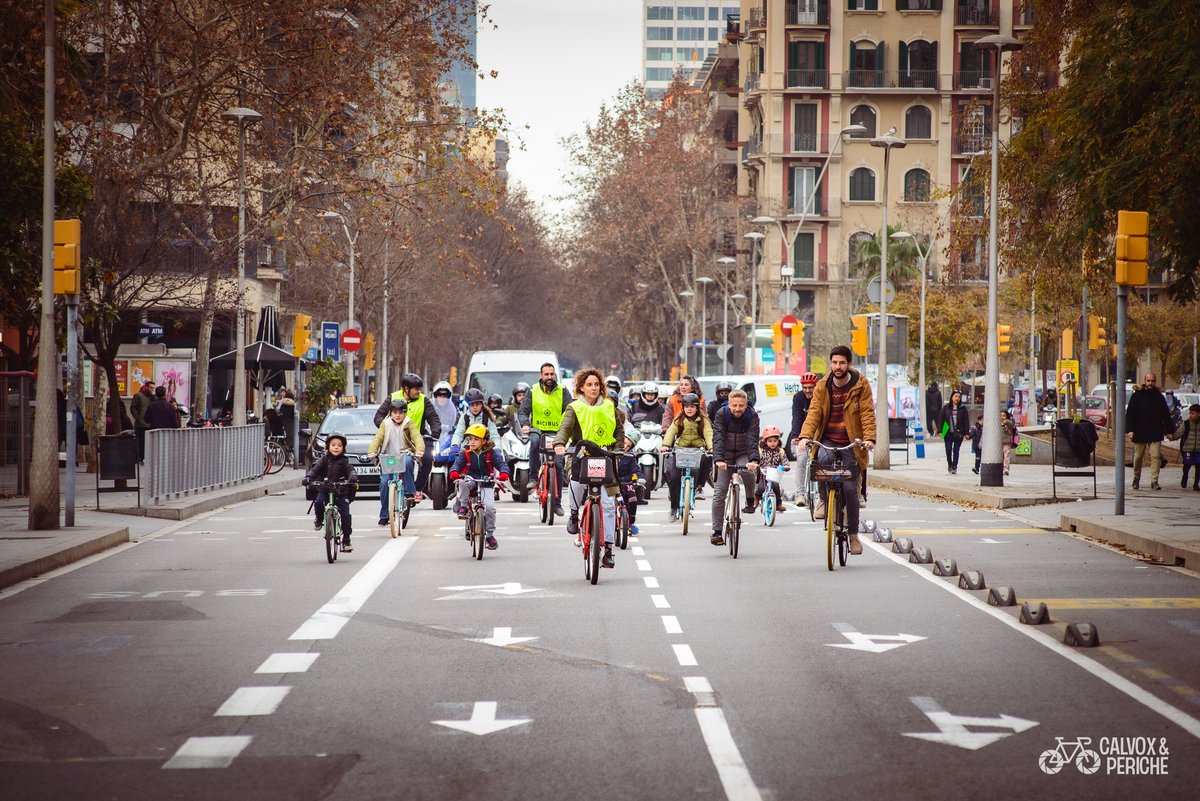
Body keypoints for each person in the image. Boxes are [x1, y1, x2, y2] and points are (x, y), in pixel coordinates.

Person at [797, 345, 877, 556]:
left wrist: (869, 439)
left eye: (842, 362)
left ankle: (853, 535)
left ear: (849, 364)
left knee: (850, 489)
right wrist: (805, 436)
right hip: (828, 438)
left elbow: (867, 413)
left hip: (851, 441)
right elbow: (814, 413)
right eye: (834, 362)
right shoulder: (822, 385)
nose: (838, 366)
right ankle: (824, 499)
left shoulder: (860, 385)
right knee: (821, 464)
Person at [554, 368, 623, 568]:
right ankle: (574, 514)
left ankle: (608, 550)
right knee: (575, 484)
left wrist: (618, 450)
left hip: (605, 457)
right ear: (581, 388)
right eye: (589, 385)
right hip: (581, 455)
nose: (593, 388)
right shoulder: (574, 407)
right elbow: (565, 428)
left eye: (596, 384)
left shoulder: (609, 406)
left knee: (609, 505)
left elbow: (619, 431)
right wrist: (559, 443)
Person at [517, 362, 573, 515]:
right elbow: (523, 411)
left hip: (558, 433)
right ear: (541, 375)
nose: (549, 377)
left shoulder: (562, 390)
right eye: (546, 374)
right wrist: (525, 424)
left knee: (559, 465)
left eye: (551, 374)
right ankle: (534, 478)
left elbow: (571, 410)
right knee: (534, 443)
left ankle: (557, 504)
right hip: (538, 430)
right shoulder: (533, 390)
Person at [710, 388, 760, 546]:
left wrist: (754, 460)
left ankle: (750, 499)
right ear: (729, 404)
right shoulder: (721, 414)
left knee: (747, 471)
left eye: (741, 405)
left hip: (743, 453)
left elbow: (752, 439)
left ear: (746, 405)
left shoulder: (752, 415)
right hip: (724, 456)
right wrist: (719, 459)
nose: (738, 408)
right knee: (719, 493)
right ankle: (717, 532)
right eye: (734, 405)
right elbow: (718, 437)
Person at [375, 373, 441, 492]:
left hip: (418, 437)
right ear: (406, 389)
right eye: (416, 389)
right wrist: (385, 427)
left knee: (427, 458)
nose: (419, 392)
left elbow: (433, 418)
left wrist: (435, 431)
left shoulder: (423, 400)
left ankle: (417, 488)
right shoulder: (393, 397)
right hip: (395, 437)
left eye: (420, 389)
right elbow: (379, 416)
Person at [449, 423, 509, 551]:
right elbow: (457, 465)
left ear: (484, 441)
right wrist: (454, 472)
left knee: (490, 508)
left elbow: (501, 464)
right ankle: (464, 506)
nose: (472, 442)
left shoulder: (491, 453)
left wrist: (504, 473)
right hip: (471, 479)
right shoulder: (465, 452)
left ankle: (490, 535)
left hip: (486, 482)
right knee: (463, 482)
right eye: (470, 439)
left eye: (476, 439)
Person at [367, 399, 424, 525]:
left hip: (404, 454)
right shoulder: (385, 424)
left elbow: (417, 437)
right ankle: (384, 515)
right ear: (390, 413)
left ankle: (409, 492)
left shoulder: (409, 423)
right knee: (384, 483)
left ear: (405, 413)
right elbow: (378, 438)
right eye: (395, 412)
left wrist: (419, 449)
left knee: (409, 461)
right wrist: (372, 451)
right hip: (388, 457)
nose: (398, 415)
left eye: (401, 412)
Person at [661, 392, 713, 520]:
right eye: (687, 406)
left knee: (707, 459)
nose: (689, 409)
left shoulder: (704, 420)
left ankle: (699, 487)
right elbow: (670, 431)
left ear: (697, 408)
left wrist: (711, 447)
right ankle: (673, 508)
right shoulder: (678, 419)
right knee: (674, 477)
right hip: (680, 450)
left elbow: (708, 433)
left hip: (698, 450)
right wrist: (666, 445)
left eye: (692, 406)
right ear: (683, 408)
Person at [302, 433, 358, 551]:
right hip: (325, 489)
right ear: (328, 446)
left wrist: (352, 478)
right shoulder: (324, 459)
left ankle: (346, 540)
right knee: (319, 502)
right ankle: (319, 519)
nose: (336, 447)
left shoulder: (345, 461)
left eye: (339, 445)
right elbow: (315, 470)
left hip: (341, 491)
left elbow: (351, 471)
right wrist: (308, 478)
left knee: (346, 516)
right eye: (333, 445)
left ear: (343, 448)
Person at [1126, 372, 1173, 490]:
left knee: (1155, 456)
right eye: (1148, 381)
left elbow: (1166, 415)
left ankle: (1154, 481)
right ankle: (1136, 477)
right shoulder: (1137, 396)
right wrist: (1130, 430)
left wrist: (1169, 431)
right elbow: (1130, 414)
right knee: (1138, 457)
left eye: (1152, 381)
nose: (1150, 383)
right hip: (1139, 431)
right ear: (1144, 381)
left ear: (1155, 382)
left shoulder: (1159, 397)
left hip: (1155, 431)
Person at [787, 372, 819, 505]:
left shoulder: (821, 396)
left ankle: (822, 494)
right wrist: (795, 436)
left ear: (816, 386)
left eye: (810, 387)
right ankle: (800, 494)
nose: (807, 390)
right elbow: (796, 417)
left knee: (822, 461)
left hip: (818, 434)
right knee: (801, 460)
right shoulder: (798, 397)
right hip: (802, 435)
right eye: (804, 387)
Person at [756, 425, 788, 512]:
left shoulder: (780, 451)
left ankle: (778, 504)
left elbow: (784, 460)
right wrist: (755, 464)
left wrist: (786, 466)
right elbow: (756, 459)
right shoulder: (761, 450)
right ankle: (756, 497)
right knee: (761, 488)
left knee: (776, 487)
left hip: (774, 473)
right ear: (765, 441)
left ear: (778, 440)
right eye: (770, 441)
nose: (772, 443)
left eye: (775, 441)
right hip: (763, 473)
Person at [616, 431, 641, 536]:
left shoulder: (630, 456)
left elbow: (635, 469)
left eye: (629, 446)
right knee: (613, 502)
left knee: (633, 499)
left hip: (627, 482)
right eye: (625, 443)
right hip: (614, 483)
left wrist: (639, 478)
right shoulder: (612, 452)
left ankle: (631, 522)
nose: (625, 446)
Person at [941, 389, 970, 474]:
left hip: (959, 432)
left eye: (959, 397)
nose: (957, 398)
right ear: (952, 397)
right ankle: (949, 464)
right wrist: (940, 430)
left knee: (956, 450)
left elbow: (966, 421)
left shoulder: (963, 408)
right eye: (955, 396)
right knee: (948, 449)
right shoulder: (946, 408)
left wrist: (966, 433)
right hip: (948, 432)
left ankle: (954, 466)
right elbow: (941, 419)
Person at [1175, 404, 1200, 491]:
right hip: (1188, 448)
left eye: (1193, 413)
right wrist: (1172, 437)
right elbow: (1179, 433)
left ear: (1198, 414)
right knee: (1187, 465)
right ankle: (1185, 476)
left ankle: (1196, 484)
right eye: (1190, 413)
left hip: (1198, 450)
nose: (1191, 415)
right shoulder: (1186, 423)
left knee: (1198, 466)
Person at [130, 380, 155, 461]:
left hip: (150, 424)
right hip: (140, 424)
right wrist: (137, 417)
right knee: (140, 443)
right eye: (151, 388)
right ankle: (139, 458)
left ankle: (146, 458)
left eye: (153, 388)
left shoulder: (153, 397)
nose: (152, 390)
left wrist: (153, 396)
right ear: (146, 387)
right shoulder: (138, 395)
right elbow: (133, 407)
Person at [1000, 409, 1018, 476]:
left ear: (1007, 416)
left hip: (1007, 442)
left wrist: (1006, 421)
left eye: (1004, 415)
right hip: (999, 442)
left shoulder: (1008, 422)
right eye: (1001, 415)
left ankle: (1006, 469)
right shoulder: (997, 422)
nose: (1002, 417)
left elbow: (1011, 423)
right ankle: (1001, 468)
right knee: (1001, 456)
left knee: (1006, 455)